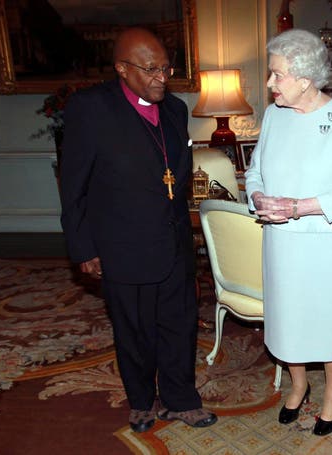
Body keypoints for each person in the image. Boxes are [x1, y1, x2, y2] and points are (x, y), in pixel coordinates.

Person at [59, 27, 216, 433]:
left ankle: (182, 400)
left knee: (179, 325)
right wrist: (82, 247)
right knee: (134, 329)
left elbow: (173, 176)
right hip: (121, 242)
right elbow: (73, 184)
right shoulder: (90, 109)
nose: (161, 77)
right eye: (150, 69)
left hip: (174, 240)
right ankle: (142, 401)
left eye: (166, 67)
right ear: (122, 70)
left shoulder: (176, 110)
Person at [245, 29, 332, 436]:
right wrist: (259, 195)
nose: (269, 84)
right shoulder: (274, 116)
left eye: (276, 75)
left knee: (326, 319)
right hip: (280, 238)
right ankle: (298, 384)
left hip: (326, 239)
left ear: (304, 79)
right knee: (286, 317)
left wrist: (301, 207)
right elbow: (255, 171)